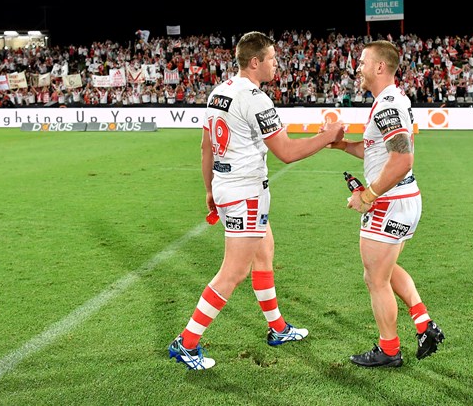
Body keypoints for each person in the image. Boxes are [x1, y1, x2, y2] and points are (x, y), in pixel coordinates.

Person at [168, 31, 345, 371]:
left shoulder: (219, 92)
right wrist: (327, 136)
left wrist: (210, 190)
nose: (277, 64)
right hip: (245, 193)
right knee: (233, 272)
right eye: (272, 59)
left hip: (228, 187)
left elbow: (206, 148)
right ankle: (187, 343)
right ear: (255, 62)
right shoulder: (255, 99)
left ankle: (278, 328)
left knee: (264, 254)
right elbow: (287, 152)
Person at [328, 39, 444, 368]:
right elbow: (377, 152)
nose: (358, 68)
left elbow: (402, 159)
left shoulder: (386, 106)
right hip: (404, 198)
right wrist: (342, 146)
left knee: (374, 279)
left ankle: (389, 350)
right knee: (386, 269)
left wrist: (367, 196)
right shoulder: (392, 100)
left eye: (363, 62)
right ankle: (423, 324)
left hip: (390, 201)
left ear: (380, 66)